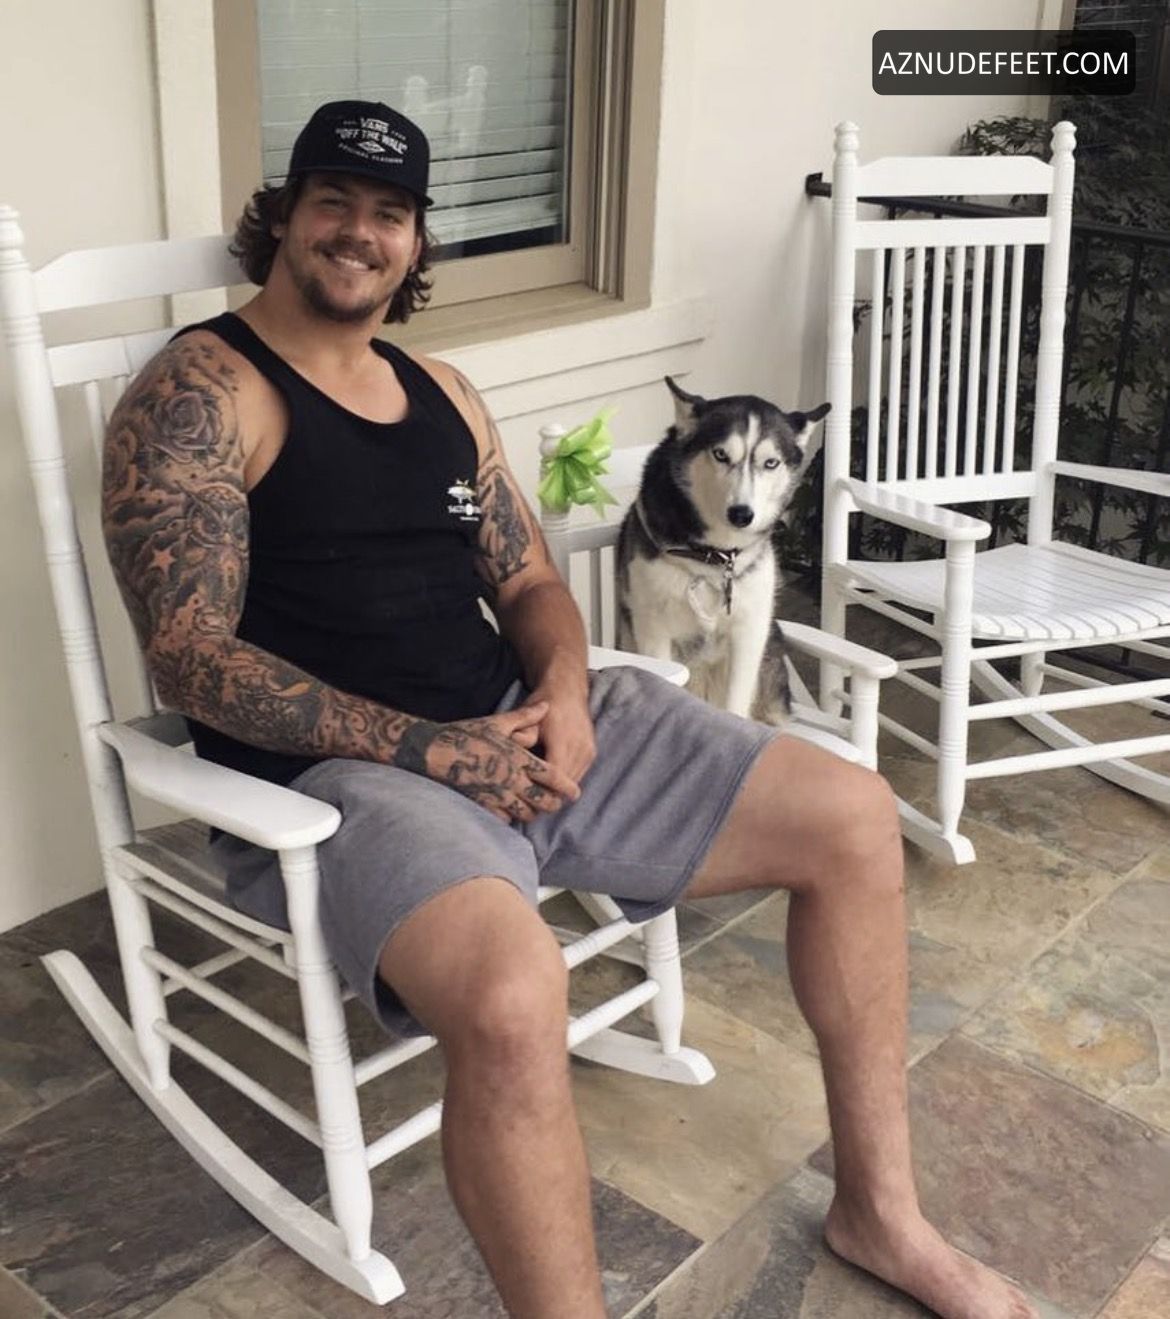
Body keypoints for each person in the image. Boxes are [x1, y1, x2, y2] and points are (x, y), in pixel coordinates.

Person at [101, 100, 1034, 1319]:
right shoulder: (204, 391)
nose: (358, 232)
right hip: (345, 775)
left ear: (416, 242)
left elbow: (533, 581)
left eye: (390, 213)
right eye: (332, 201)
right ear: (283, 216)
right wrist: (437, 750)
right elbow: (191, 660)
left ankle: (882, 1211)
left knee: (856, 818)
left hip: (515, 715)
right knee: (512, 994)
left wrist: (564, 692)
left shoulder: (441, 391)